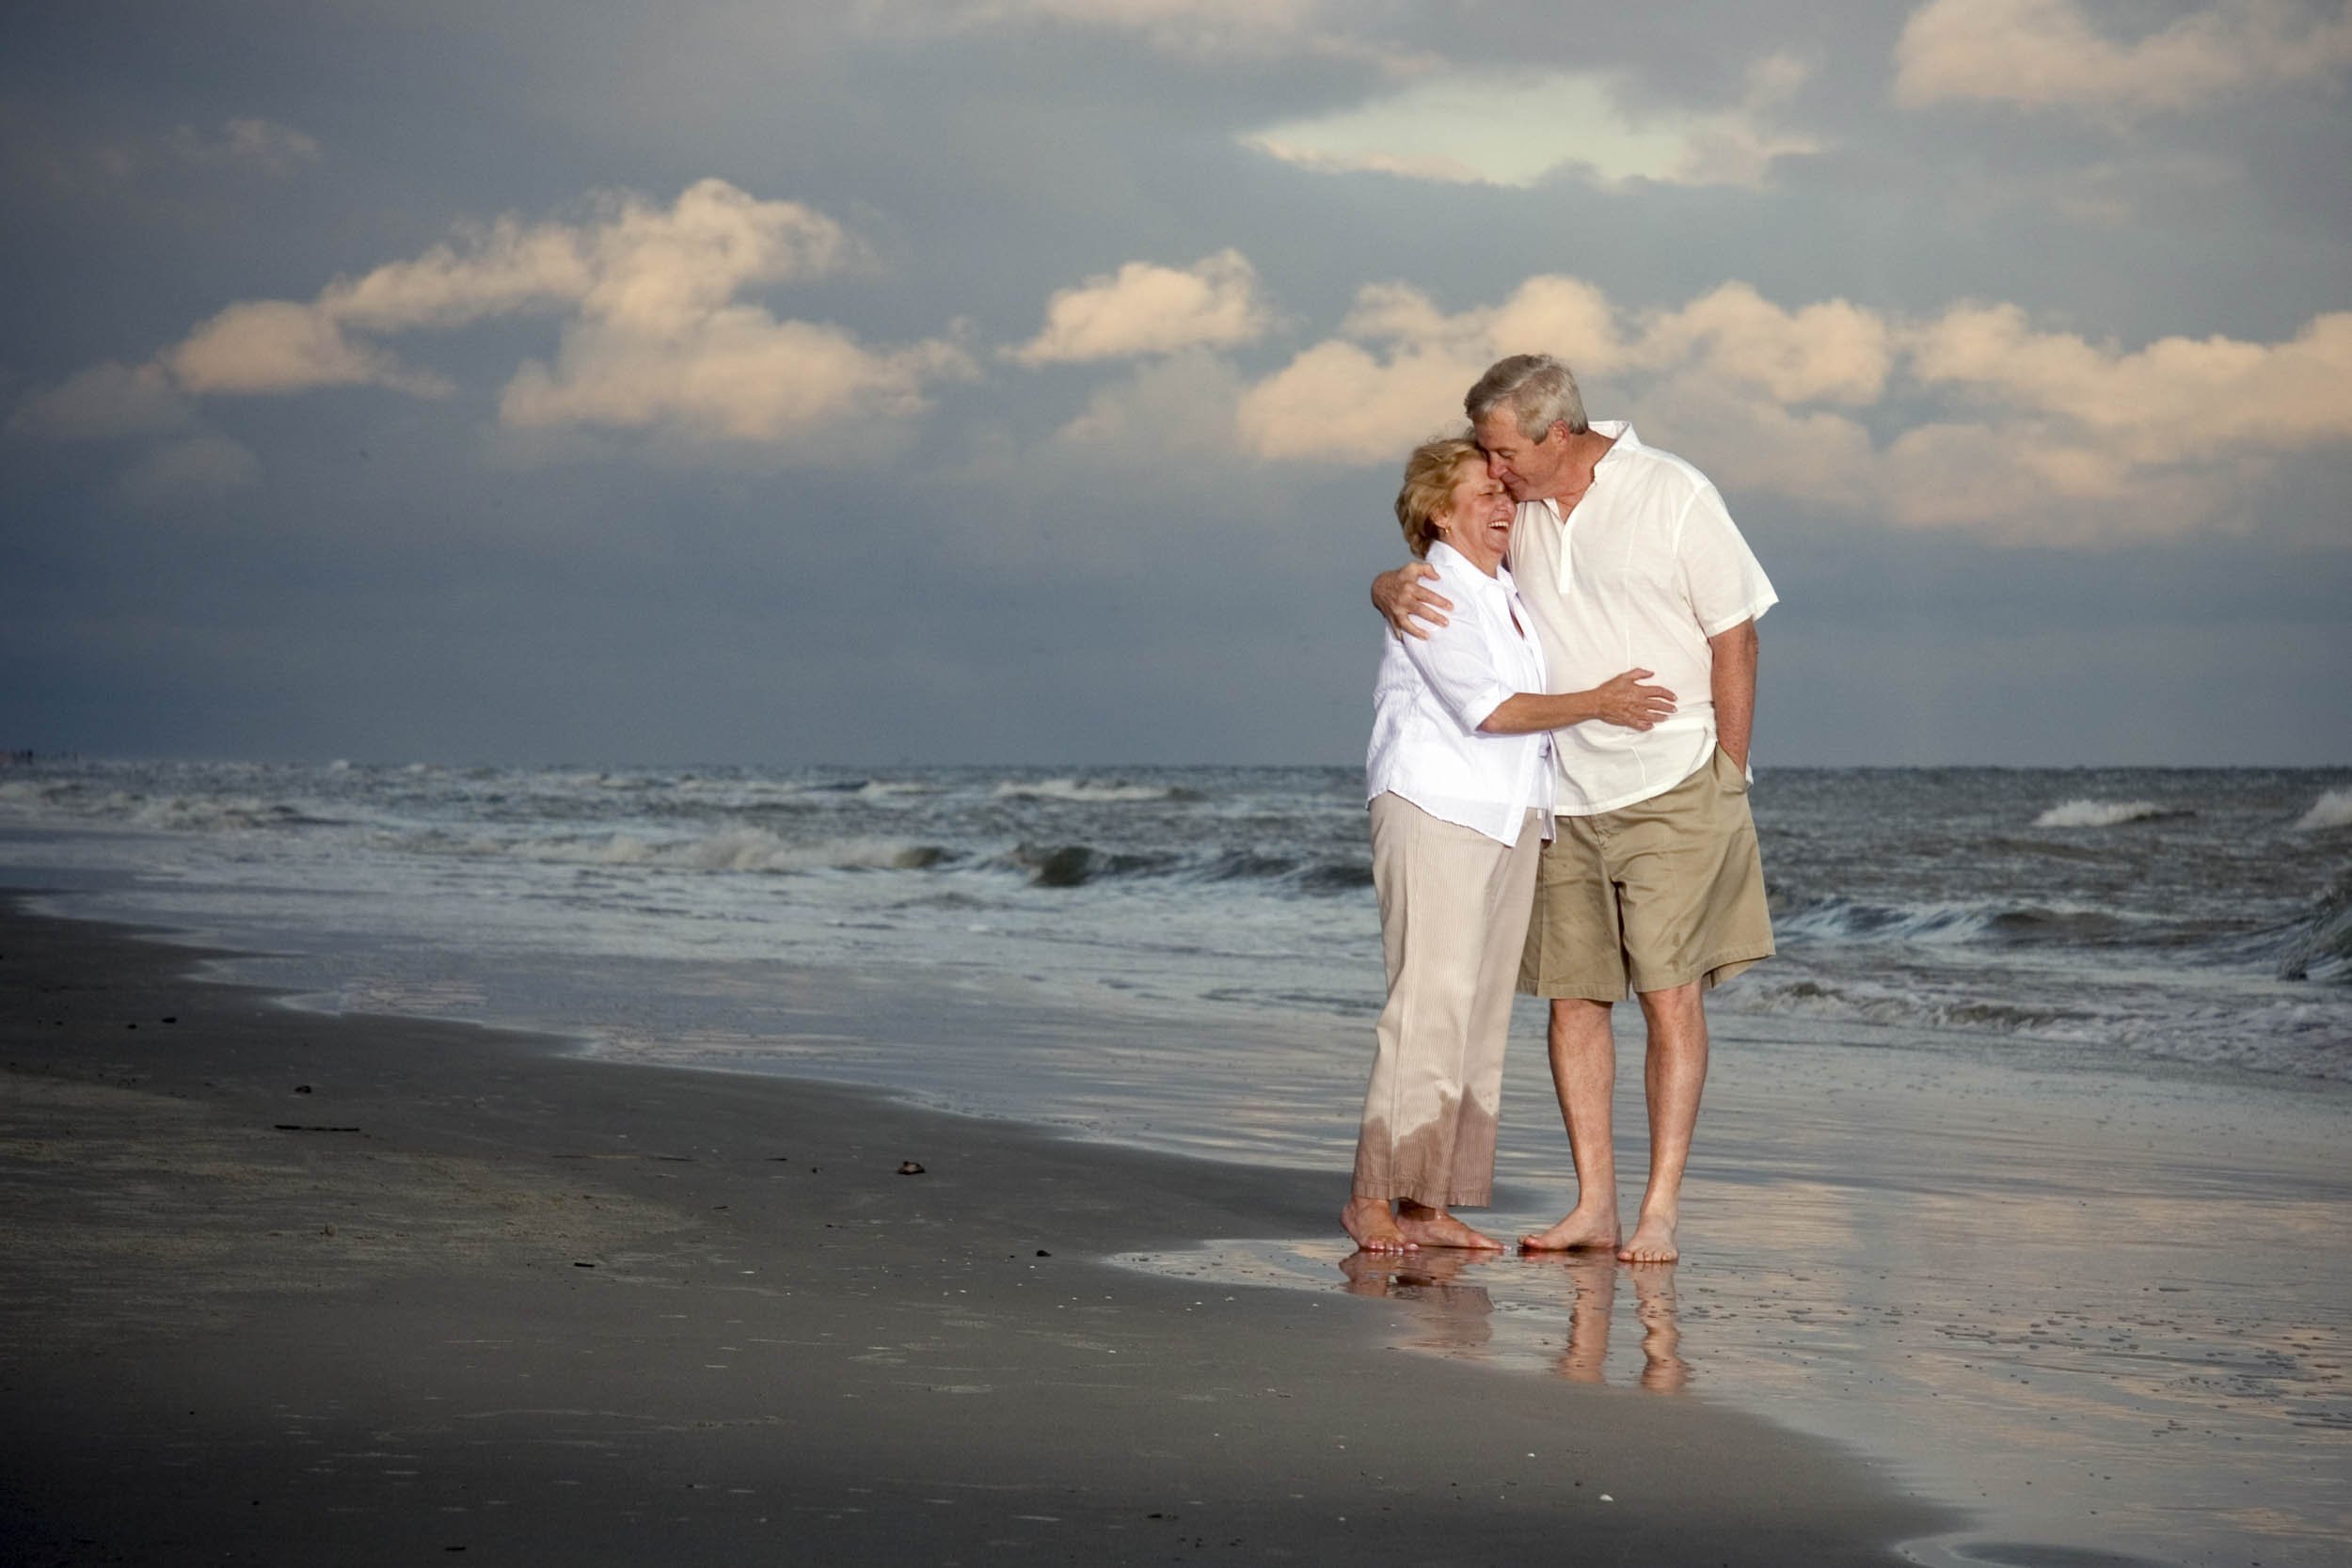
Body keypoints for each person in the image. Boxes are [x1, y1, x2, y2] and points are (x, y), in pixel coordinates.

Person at [1373, 355, 1778, 1264]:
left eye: (1503, 451)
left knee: (1670, 997)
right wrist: (1383, 584)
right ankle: (1594, 1204)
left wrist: (1729, 771)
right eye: (1486, 454)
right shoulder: (1518, 511)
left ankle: (1659, 1208)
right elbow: (1447, 555)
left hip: (1673, 783)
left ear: (1559, 433)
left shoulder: (1673, 493)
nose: (1493, 469)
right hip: (1560, 792)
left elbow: (1738, 634)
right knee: (1574, 1001)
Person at [1348, 436, 1676, 1256]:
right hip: (1437, 806)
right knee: (1427, 1005)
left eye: (1505, 492)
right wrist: (1599, 701)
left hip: (1509, 816)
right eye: (1484, 493)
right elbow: (1490, 708)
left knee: (1478, 1013)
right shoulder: (1432, 591)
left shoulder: (1506, 590)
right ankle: (1371, 1197)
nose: (1504, 505)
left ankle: (1430, 1203)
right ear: (1439, 513)